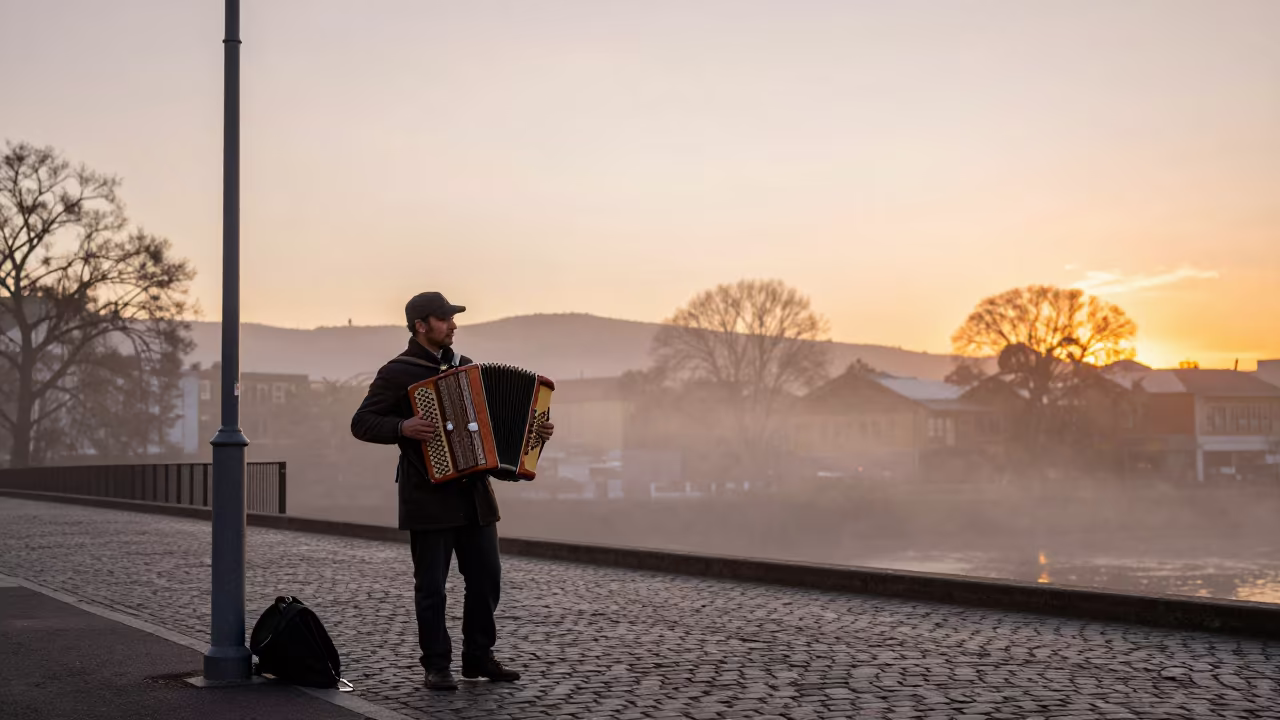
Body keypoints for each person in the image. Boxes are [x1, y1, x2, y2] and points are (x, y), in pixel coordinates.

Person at [350, 291, 554, 691]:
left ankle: (478, 658)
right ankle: (436, 665)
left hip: (475, 499)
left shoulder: (468, 369)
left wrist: (535, 434)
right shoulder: (397, 372)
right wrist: (400, 428)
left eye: (452, 318)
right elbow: (361, 422)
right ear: (420, 325)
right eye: (443, 319)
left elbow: (495, 440)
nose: (453, 325)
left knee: (486, 581)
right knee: (432, 588)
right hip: (427, 497)